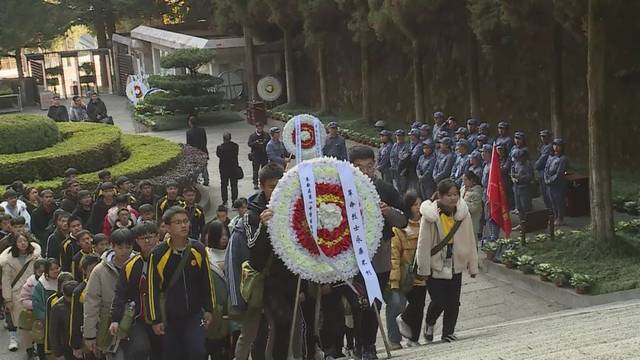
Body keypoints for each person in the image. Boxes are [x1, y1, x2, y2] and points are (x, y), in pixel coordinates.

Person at [348, 145, 407, 359]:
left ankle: (369, 346)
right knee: (357, 303)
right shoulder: (340, 190)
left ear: (375, 166)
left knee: (375, 301)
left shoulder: (384, 188)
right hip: (350, 256)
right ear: (350, 167)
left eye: (369, 167)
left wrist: (388, 211)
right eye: (359, 168)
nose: (365, 172)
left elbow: (403, 220)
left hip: (379, 253)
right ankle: (356, 342)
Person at [245, 163, 298, 360]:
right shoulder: (253, 213)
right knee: (276, 321)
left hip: (292, 275)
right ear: (262, 186)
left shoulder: (294, 206)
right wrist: (263, 226)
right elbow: (252, 249)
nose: (276, 191)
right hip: (267, 279)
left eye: (280, 186)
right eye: (271, 186)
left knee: (291, 323)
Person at [415, 179, 479, 343]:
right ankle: (429, 323)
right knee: (439, 300)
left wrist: (473, 266)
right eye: (448, 195)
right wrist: (423, 269)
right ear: (440, 196)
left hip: (455, 261)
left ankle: (448, 332)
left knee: (453, 301)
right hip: (435, 263)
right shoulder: (430, 216)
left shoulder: (463, 214)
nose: (452, 198)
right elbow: (423, 244)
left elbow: (470, 240)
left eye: (455, 194)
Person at [147, 207, 214, 360]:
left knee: (197, 352)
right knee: (173, 354)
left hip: (194, 314)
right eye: (178, 222)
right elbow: (152, 290)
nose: (183, 225)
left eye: (185, 221)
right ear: (168, 227)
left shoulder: (198, 249)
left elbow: (207, 282)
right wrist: (155, 319)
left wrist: (209, 308)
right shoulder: (158, 254)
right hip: (169, 317)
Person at [110, 222, 162, 360]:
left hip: (165, 317)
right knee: (140, 349)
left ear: (157, 237)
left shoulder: (166, 259)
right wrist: (115, 319)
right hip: (139, 318)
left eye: (150, 237)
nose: (147, 241)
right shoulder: (130, 265)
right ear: (137, 241)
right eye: (142, 238)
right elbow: (120, 293)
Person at [83, 228, 134, 358]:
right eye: (120, 247)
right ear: (112, 246)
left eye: (128, 247)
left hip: (135, 321)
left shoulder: (138, 264)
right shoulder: (100, 270)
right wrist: (90, 335)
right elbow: (91, 303)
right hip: (109, 325)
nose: (124, 251)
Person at [387, 191, 424, 349]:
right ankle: (394, 339)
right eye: (415, 204)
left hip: (421, 272)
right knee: (400, 305)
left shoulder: (426, 224)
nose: (419, 207)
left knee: (419, 305)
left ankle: (413, 337)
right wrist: (394, 280)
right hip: (405, 275)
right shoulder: (399, 229)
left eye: (420, 203)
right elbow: (394, 256)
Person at [1, 233, 42, 353]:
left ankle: (38, 347)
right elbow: (6, 281)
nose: (23, 243)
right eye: (19, 241)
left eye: (25, 241)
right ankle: (29, 348)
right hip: (17, 295)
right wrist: (7, 299)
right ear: (15, 244)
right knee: (24, 324)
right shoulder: (8, 260)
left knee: (38, 322)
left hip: (36, 292)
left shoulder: (35, 257)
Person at [202, 220, 233, 360]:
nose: (224, 238)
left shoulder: (233, 253)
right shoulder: (205, 255)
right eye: (221, 235)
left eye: (226, 234)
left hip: (231, 309)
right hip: (213, 311)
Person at [69, 254, 100, 360]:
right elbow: (76, 318)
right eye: (92, 270)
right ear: (84, 270)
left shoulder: (106, 284)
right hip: (88, 335)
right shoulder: (79, 291)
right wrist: (76, 345)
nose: (95, 273)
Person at [32, 258, 61, 359]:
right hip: (46, 321)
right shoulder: (41, 285)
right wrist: (46, 317)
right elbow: (37, 304)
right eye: (52, 269)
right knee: (43, 344)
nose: (55, 271)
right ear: (47, 271)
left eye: (57, 268)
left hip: (61, 322)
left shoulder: (64, 280)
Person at [20, 258, 47, 359]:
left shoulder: (51, 281)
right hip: (36, 317)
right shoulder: (30, 284)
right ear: (35, 271)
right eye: (40, 272)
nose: (42, 274)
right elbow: (23, 299)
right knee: (39, 338)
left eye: (45, 272)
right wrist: (35, 305)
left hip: (49, 315)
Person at [50, 280, 79, 360]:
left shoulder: (82, 302)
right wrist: (58, 354)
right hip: (66, 347)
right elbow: (53, 332)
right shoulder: (57, 307)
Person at [544, 139, 568, 226]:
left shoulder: (563, 159)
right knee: (552, 201)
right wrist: (546, 179)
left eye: (558, 145)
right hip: (549, 183)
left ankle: (560, 218)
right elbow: (546, 168)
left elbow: (559, 173)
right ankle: (554, 216)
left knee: (559, 201)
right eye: (554, 145)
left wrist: (551, 180)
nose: (556, 147)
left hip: (558, 183)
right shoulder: (551, 157)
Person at [217, 132, 240, 206]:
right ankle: (234, 200)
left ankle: (224, 200)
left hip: (224, 169)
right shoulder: (235, 146)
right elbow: (236, 154)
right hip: (233, 168)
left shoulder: (220, 147)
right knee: (234, 185)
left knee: (224, 185)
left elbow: (218, 155)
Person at [511, 149, 533, 227]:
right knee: (519, 208)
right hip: (517, 187)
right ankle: (521, 223)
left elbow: (530, 177)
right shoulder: (516, 163)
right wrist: (513, 177)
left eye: (520, 157)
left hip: (525, 188)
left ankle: (529, 224)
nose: (519, 159)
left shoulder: (528, 164)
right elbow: (513, 172)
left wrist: (520, 177)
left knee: (526, 208)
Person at [186, 115, 210, 186]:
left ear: (190, 123)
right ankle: (206, 180)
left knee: (195, 167)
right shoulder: (202, 130)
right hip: (203, 150)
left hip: (194, 152)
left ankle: (196, 180)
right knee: (204, 166)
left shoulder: (189, 132)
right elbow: (205, 140)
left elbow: (189, 144)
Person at [461, 171, 484, 241]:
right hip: (461, 220)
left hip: (472, 221)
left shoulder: (477, 192)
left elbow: (474, 208)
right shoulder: (463, 189)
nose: (464, 182)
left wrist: (461, 204)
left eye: (465, 180)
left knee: (472, 241)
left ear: (471, 180)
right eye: (463, 180)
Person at [535, 130, 554, 211]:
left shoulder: (549, 147)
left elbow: (542, 160)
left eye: (545, 137)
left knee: (547, 194)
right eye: (542, 136)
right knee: (543, 193)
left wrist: (536, 165)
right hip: (541, 172)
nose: (542, 138)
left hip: (546, 172)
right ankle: (548, 210)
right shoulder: (543, 146)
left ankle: (551, 211)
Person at [248, 122, 270, 190]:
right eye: (258, 127)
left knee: (264, 170)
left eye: (261, 127)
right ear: (256, 128)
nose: (260, 129)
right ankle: (255, 183)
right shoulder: (252, 136)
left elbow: (269, 142)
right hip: (256, 155)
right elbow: (249, 144)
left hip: (264, 155)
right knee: (255, 170)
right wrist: (255, 143)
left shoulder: (266, 135)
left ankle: (263, 182)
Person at [390, 129, 412, 194]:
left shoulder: (407, 146)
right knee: (397, 186)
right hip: (395, 170)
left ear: (403, 137)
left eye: (400, 136)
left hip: (403, 171)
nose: (399, 137)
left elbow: (405, 159)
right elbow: (391, 156)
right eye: (397, 135)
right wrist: (393, 165)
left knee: (404, 188)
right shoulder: (394, 145)